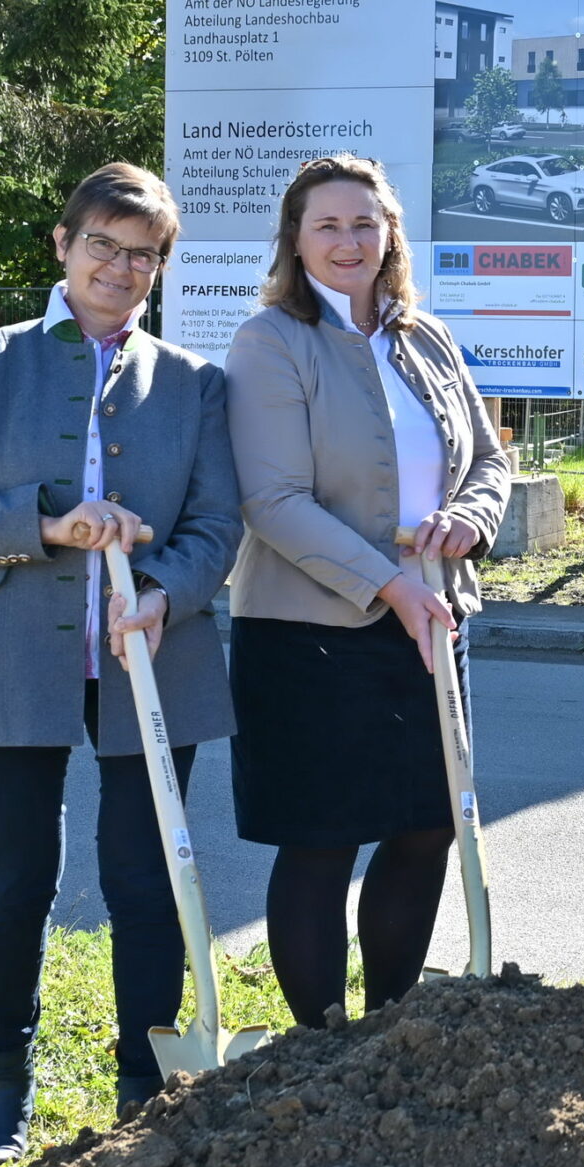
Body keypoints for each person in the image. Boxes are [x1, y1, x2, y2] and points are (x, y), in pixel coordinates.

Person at [0, 162, 241, 1161]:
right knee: (15, 877)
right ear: (63, 244)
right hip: (2, 656)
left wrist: (168, 592)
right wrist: (47, 523)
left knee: (147, 878)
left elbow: (220, 522)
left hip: (152, 661)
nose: (122, 268)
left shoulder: (193, 383)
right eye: (104, 245)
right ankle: (6, 1082)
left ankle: (146, 1087)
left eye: (144, 255)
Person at [224, 154, 511, 1027]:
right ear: (296, 240)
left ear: (390, 232)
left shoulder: (425, 338)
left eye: (364, 223)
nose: (349, 241)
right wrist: (389, 584)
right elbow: (272, 499)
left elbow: (490, 462)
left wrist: (468, 520)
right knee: (322, 841)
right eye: (327, 225)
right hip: (310, 633)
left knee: (429, 825)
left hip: (431, 617)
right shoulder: (271, 340)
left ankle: (390, 1027)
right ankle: (317, 1043)